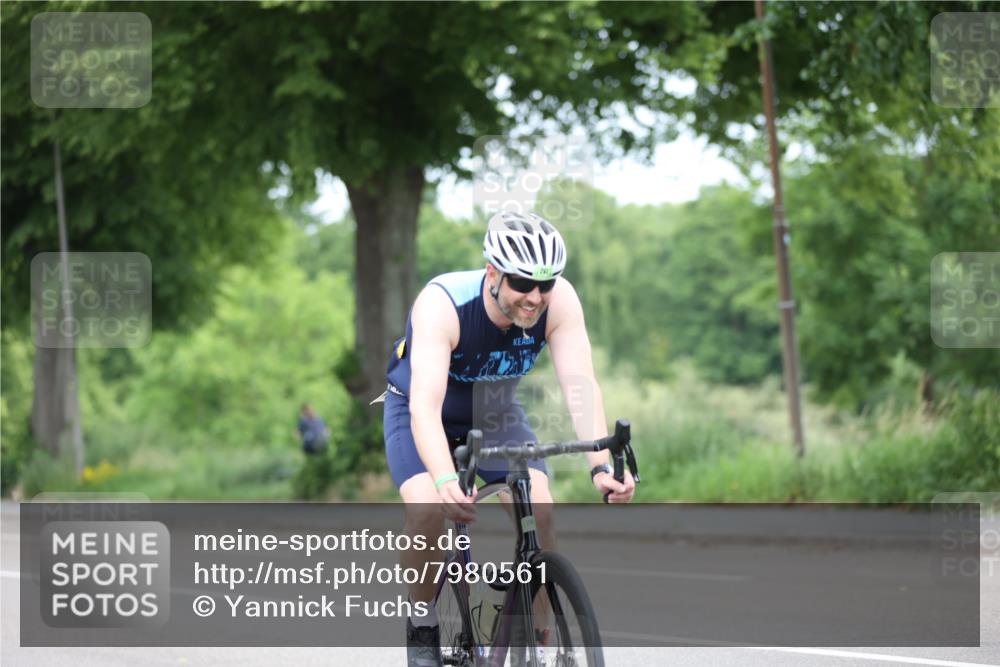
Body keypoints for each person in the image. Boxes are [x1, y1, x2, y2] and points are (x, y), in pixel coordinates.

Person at [383, 210, 636, 666]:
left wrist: (600, 464)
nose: (535, 297)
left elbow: (580, 386)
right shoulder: (442, 304)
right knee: (426, 509)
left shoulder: (560, 302)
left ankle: (534, 644)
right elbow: (425, 406)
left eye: (546, 283)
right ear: (493, 273)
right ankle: (422, 621)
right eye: (522, 282)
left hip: (495, 413)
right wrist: (445, 480)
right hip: (420, 410)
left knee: (540, 509)